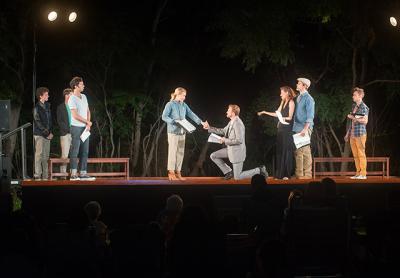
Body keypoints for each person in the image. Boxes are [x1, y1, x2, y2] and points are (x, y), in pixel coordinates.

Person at [204, 104, 268, 180]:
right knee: (213, 155)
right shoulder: (232, 122)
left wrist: (225, 140)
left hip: (237, 152)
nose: (226, 112)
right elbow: (223, 131)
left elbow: (239, 140)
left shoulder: (238, 123)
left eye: (228, 110)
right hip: (230, 149)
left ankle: (259, 170)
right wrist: (209, 128)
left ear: (233, 113)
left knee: (238, 177)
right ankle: (228, 172)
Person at [161, 87, 207, 181]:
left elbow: (191, 114)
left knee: (181, 153)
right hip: (173, 132)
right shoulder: (170, 104)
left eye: (185, 96)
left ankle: (178, 172)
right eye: (183, 95)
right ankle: (171, 172)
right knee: (172, 152)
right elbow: (164, 117)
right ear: (178, 94)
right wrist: (173, 121)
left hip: (182, 132)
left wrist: (201, 122)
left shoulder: (184, 105)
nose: (184, 97)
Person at [258, 86, 296, 180]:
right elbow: (276, 114)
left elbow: (290, 117)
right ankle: (280, 174)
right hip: (280, 129)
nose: (280, 94)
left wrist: (283, 118)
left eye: (282, 92)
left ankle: (287, 174)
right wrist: (265, 112)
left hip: (287, 129)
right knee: (280, 150)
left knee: (286, 150)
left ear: (287, 92)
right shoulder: (282, 102)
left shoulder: (291, 102)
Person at [68, 77, 95, 181]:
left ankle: (83, 173)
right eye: (81, 84)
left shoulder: (84, 96)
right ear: (76, 86)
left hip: (85, 128)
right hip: (76, 128)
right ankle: (73, 174)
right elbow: (75, 115)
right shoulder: (72, 98)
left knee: (85, 151)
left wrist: (88, 124)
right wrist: (87, 122)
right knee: (75, 151)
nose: (83, 86)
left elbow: (88, 111)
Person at [344, 87, 369, 180]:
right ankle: (358, 173)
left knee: (361, 154)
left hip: (360, 134)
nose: (353, 96)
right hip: (353, 134)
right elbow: (352, 122)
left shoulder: (364, 107)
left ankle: (363, 174)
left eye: (354, 95)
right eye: (353, 95)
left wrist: (353, 118)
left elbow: (365, 121)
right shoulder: (354, 106)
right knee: (355, 155)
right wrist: (348, 134)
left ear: (360, 96)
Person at [292, 77, 315, 179]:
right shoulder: (299, 97)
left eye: (299, 83)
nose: (297, 85)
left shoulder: (308, 98)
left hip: (304, 127)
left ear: (304, 86)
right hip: (297, 127)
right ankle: (299, 174)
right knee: (298, 152)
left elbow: (310, 116)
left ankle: (307, 175)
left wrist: (305, 129)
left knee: (305, 151)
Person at [33, 87, 53, 180]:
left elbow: (50, 121)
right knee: (39, 154)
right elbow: (38, 122)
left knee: (46, 156)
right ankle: (37, 175)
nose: (48, 96)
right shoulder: (36, 107)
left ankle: (45, 176)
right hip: (39, 134)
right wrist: (47, 133)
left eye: (47, 94)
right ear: (41, 96)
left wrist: (50, 132)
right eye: (46, 94)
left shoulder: (48, 106)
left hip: (47, 134)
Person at [56, 88, 72, 179]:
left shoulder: (73, 107)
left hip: (74, 134)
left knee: (73, 155)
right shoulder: (60, 107)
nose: (72, 97)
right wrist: (68, 129)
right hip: (65, 134)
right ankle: (62, 175)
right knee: (65, 155)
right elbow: (60, 121)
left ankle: (73, 174)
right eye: (70, 95)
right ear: (66, 95)